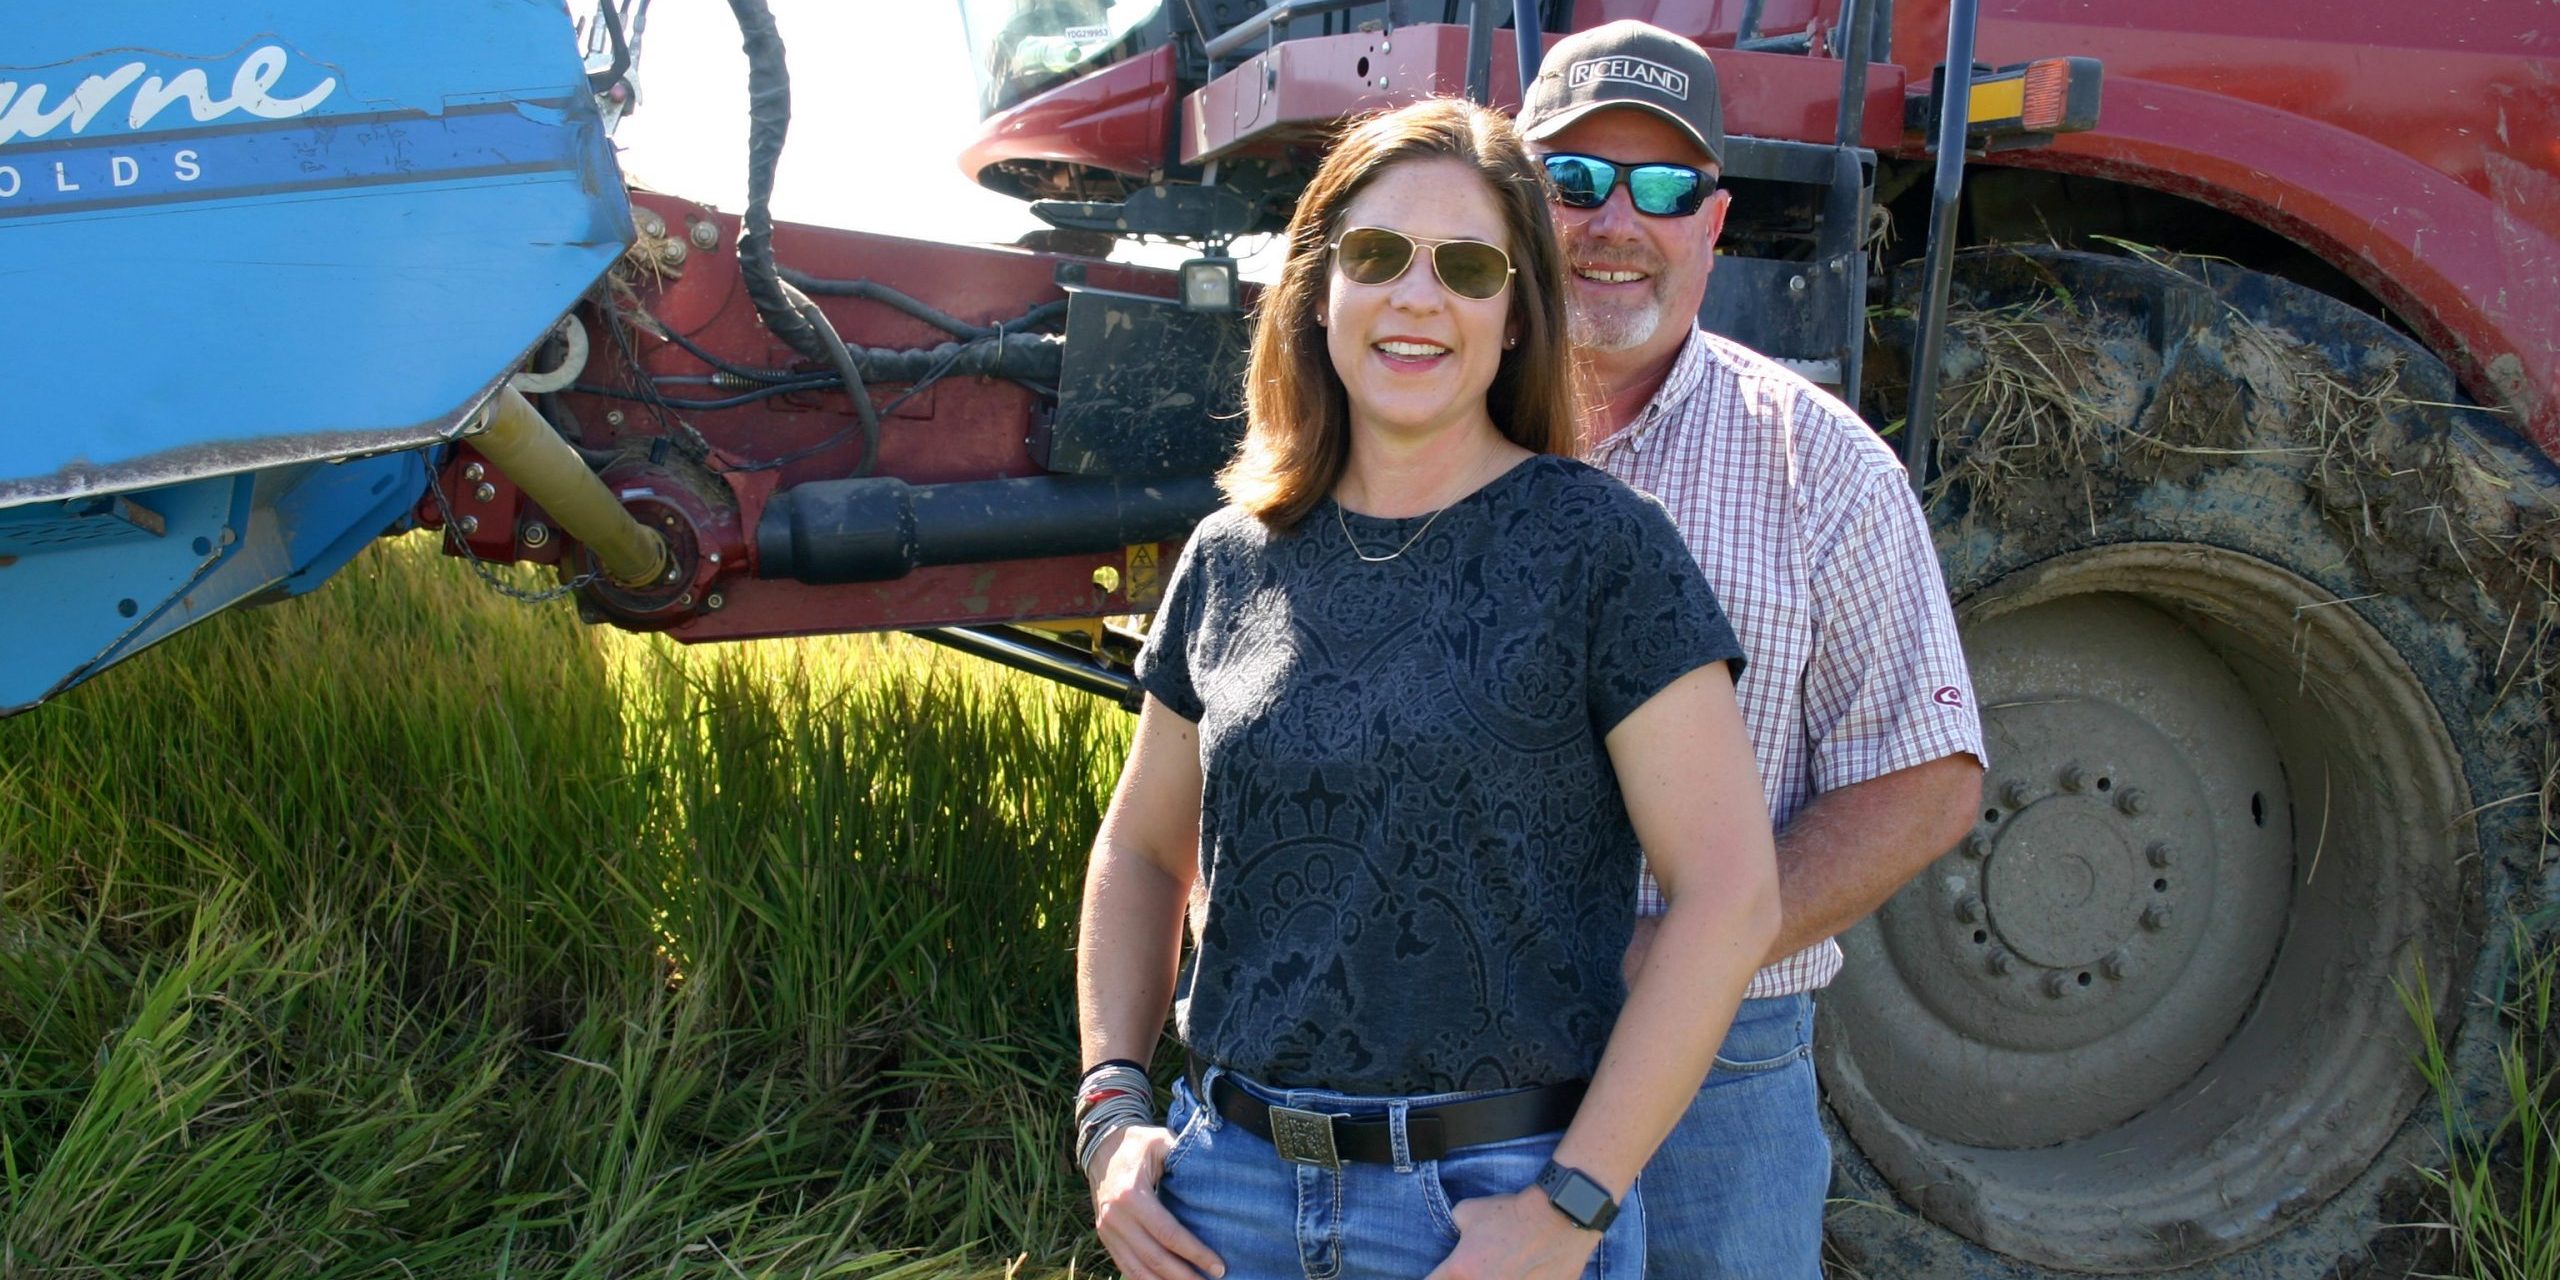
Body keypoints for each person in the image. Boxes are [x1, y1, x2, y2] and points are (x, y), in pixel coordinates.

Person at [1072, 97, 1781, 1280]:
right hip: (1225, 1199)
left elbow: (1730, 895)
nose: (1416, 295)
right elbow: (1143, 850)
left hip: (1489, 1210)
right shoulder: (1231, 555)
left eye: (1466, 267)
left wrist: (1572, 1202)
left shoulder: (1602, 548)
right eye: (1376, 255)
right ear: (1317, 290)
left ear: (1516, 315)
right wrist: (1108, 1109)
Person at [1515, 20, 1989, 1279]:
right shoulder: (1416, 431)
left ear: (1713, 225)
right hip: (1447, 1039)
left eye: (1665, 189)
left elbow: (1927, 777)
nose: (1616, 221)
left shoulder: (1821, 467)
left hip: (1724, 1060)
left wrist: (1676, 954)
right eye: (1574, 180)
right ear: (1512, 201)